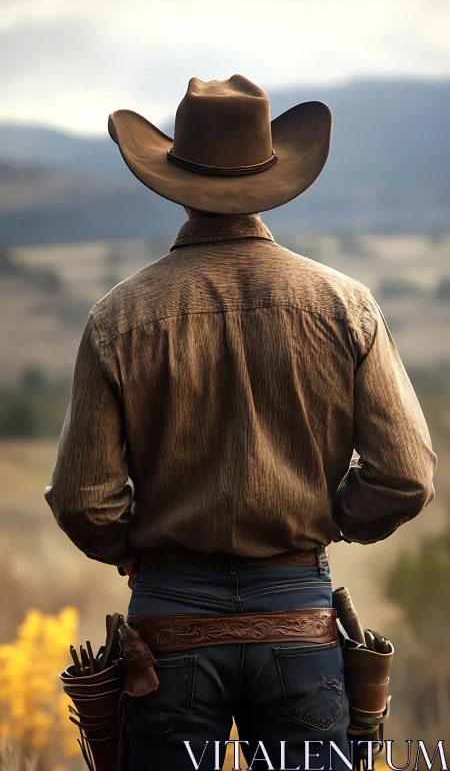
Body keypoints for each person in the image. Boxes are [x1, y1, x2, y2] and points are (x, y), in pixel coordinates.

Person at [45, 75, 437, 771]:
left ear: (176, 185)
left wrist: (135, 549)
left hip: (167, 624)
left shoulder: (118, 317)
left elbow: (83, 500)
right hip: (299, 617)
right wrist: (324, 518)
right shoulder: (345, 305)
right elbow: (406, 475)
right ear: (271, 180)